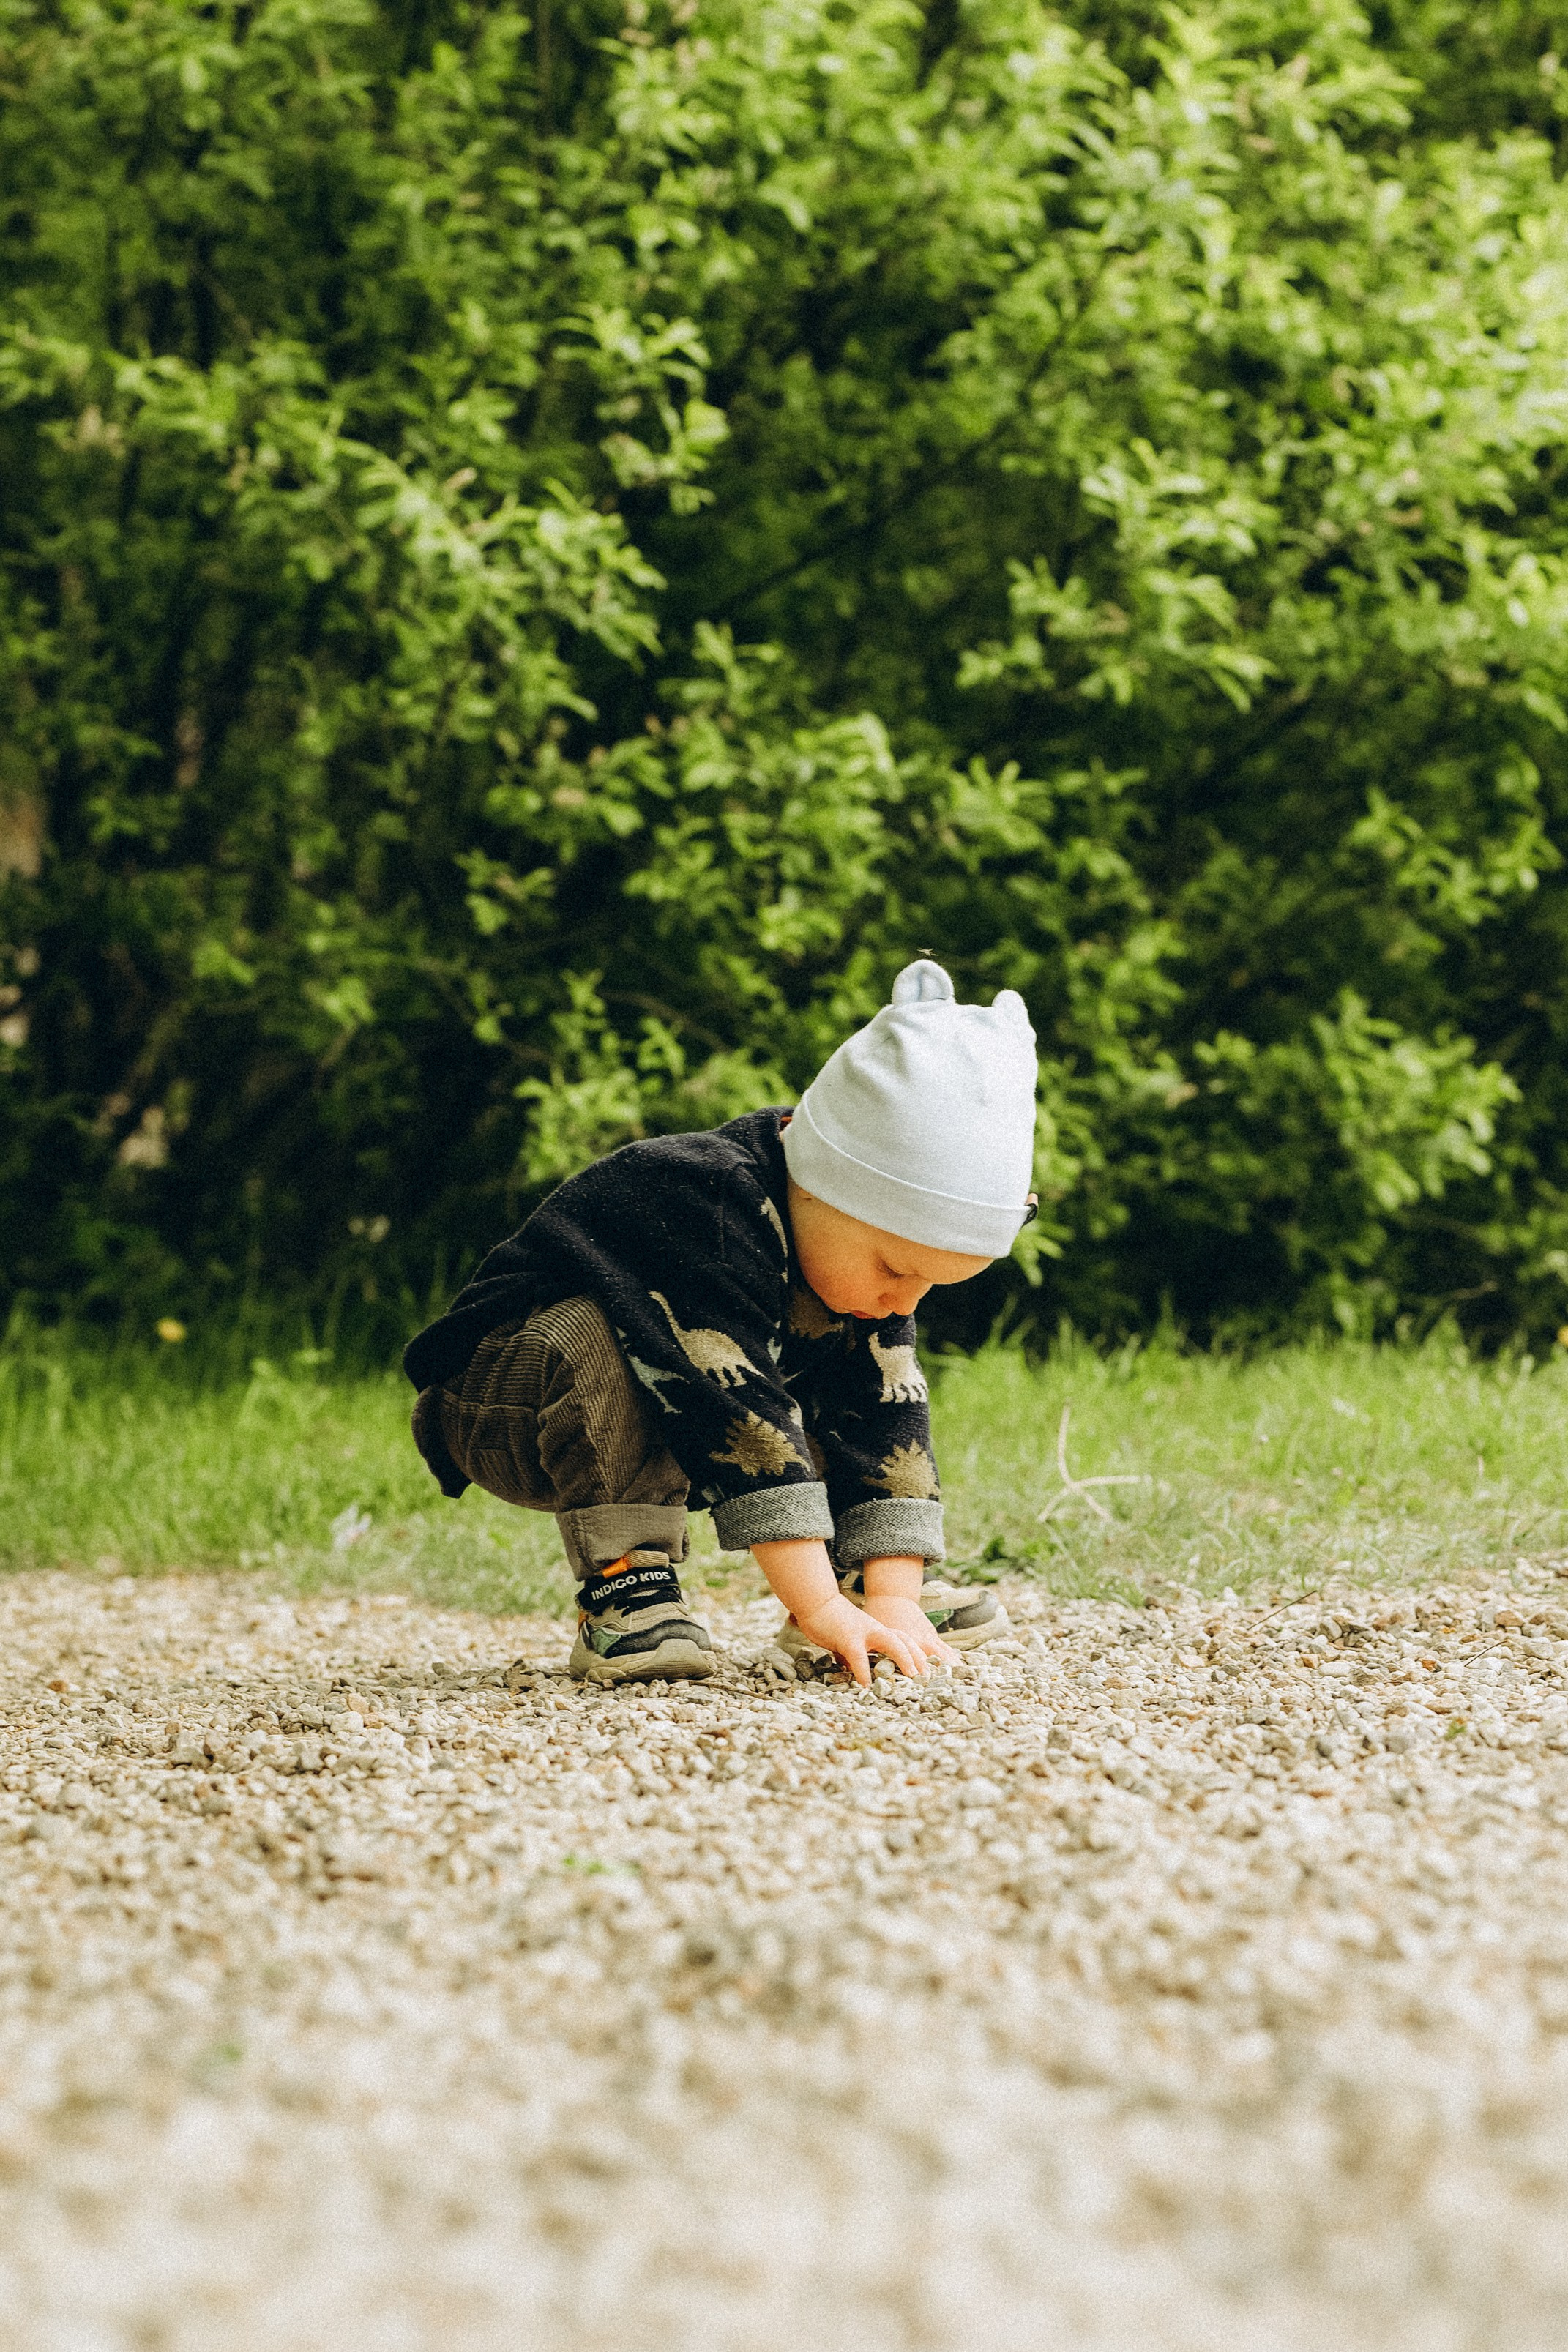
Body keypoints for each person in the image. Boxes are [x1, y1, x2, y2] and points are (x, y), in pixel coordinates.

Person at [403, 960, 1039, 1687]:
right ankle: (626, 1583)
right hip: (502, 1401)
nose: (904, 1301)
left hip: (665, 1406)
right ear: (825, 1185)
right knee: (600, 1329)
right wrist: (817, 1606)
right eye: (896, 1268)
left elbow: (887, 1417)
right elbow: (740, 1414)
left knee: (846, 1360)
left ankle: (858, 1582)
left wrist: (892, 1596)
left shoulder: (860, 1274)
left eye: (930, 1284)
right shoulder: (711, 1205)